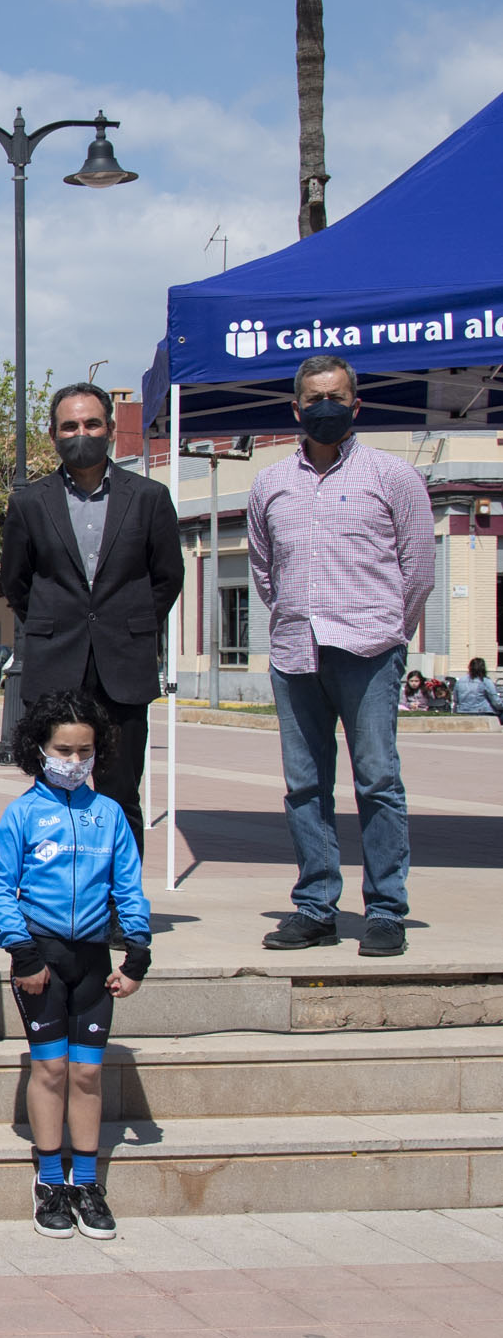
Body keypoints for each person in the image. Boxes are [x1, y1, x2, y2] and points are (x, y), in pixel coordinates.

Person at [250, 355, 436, 958]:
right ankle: (315, 907)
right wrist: (292, 620)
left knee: (378, 781)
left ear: (356, 406)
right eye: (313, 397)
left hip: (370, 650)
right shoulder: (270, 483)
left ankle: (385, 910)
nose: (324, 406)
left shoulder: (395, 476)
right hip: (295, 652)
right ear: (296, 408)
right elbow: (263, 571)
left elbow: (419, 571)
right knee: (304, 786)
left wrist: (390, 633)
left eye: (336, 396)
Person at [0, 689, 152, 1242]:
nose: (74, 761)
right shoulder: (23, 814)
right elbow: (0, 888)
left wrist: (138, 953)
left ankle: (87, 1181)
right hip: (42, 961)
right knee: (50, 1069)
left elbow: (128, 887)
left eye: (85, 751)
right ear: (40, 748)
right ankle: (50, 1179)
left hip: (93, 962)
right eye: (64, 749)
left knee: (85, 1073)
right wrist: (23, 952)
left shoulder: (110, 816)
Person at [0, 380, 183, 852]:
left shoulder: (149, 497)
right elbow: (17, 583)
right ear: (54, 434)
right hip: (56, 666)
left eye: (91, 423)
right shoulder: (29, 501)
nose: (81, 433)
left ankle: (122, 912)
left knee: (121, 797)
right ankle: (56, 903)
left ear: (110, 429)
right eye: (70, 425)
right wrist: (55, 623)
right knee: (54, 794)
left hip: (124, 667)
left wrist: (129, 623)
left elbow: (167, 578)